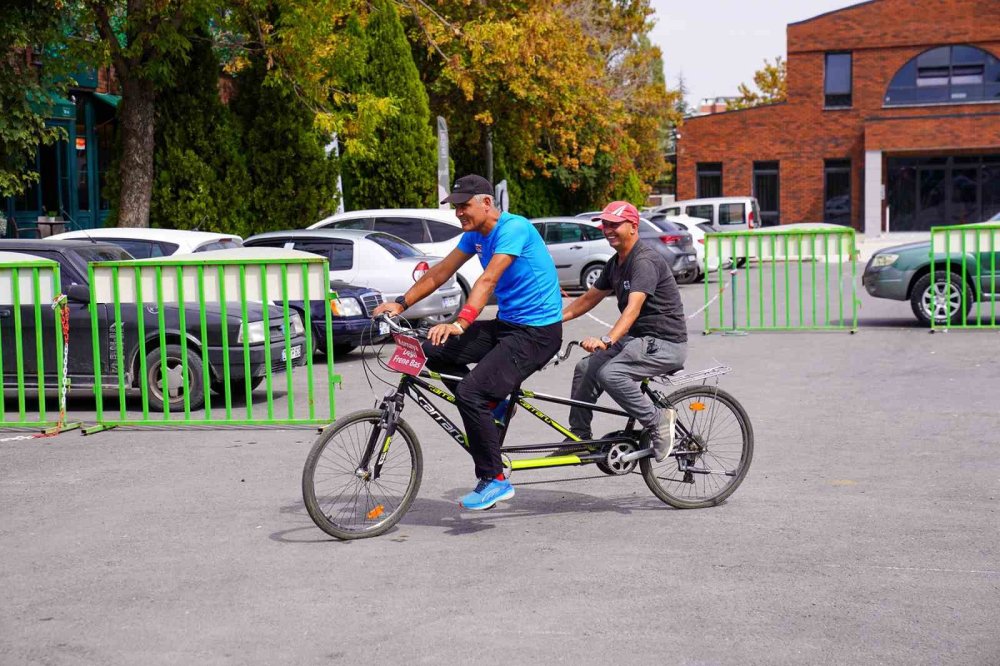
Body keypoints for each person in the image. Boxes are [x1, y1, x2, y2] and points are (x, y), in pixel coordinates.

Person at [372, 174, 563, 510]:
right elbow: (439, 273)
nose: (459, 212)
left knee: (470, 393)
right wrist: (400, 304)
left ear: (486, 202)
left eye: (464, 205)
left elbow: (488, 280)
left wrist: (461, 322)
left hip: (537, 333)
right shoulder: (474, 236)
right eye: (456, 207)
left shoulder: (513, 229)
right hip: (508, 325)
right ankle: (495, 405)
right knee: (431, 350)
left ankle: (495, 480)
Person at [560, 200, 687, 461]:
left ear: (633, 226)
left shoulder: (644, 260)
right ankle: (580, 435)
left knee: (611, 374)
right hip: (638, 341)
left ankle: (657, 421)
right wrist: (551, 320)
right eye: (605, 224)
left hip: (664, 343)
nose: (608, 229)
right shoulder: (616, 262)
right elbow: (588, 299)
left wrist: (607, 340)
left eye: (615, 224)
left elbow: (633, 308)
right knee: (586, 368)